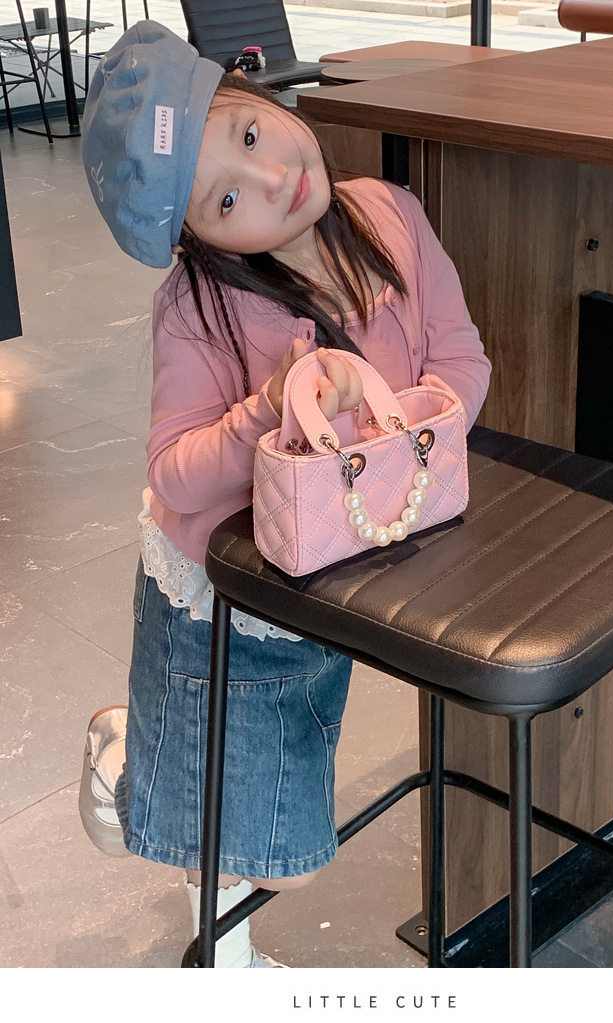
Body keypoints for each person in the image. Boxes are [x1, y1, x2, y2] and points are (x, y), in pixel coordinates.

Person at [78, 21, 492, 968]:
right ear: (194, 239)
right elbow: (174, 470)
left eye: (251, 134)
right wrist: (269, 407)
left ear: (254, 91)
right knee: (244, 841)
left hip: (337, 565)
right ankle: (207, 930)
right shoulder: (200, 310)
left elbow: (462, 358)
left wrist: (395, 426)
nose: (272, 178)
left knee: (262, 813)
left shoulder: (389, 216)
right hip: (228, 598)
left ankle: (136, 753)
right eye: (226, 198)